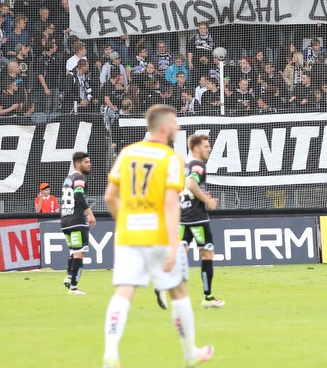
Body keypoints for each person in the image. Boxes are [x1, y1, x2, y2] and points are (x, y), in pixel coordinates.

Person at [102, 104, 214, 368]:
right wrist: (174, 243)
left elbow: (109, 197)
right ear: (164, 127)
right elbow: (170, 204)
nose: (178, 128)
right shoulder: (170, 158)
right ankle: (190, 354)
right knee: (179, 291)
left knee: (122, 293)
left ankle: (110, 355)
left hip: (128, 233)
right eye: (175, 123)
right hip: (159, 234)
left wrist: (125, 223)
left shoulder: (127, 153)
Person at [156, 133, 224, 310]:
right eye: (206, 146)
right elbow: (192, 185)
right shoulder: (198, 165)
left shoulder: (184, 165)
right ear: (196, 148)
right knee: (207, 254)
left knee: (180, 253)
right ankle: (208, 297)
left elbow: (186, 189)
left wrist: (201, 197)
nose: (209, 148)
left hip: (182, 214)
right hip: (196, 217)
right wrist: (208, 202)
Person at [61, 151, 95, 294]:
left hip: (66, 220)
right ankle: (74, 287)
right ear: (77, 164)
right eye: (86, 162)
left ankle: (69, 277)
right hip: (77, 220)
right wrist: (90, 213)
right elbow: (79, 195)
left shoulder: (68, 178)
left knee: (74, 252)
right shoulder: (79, 178)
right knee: (80, 253)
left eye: (89, 161)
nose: (89, 164)